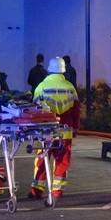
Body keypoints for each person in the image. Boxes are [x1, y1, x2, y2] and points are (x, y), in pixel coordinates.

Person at [29, 57, 80, 199]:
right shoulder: (70, 87)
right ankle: (57, 191)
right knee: (62, 160)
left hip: (46, 130)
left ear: (49, 70)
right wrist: (76, 127)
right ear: (63, 71)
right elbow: (76, 110)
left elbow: (34, 109)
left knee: (42, 158)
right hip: (66, 131)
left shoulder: (42, 86)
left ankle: (37, 190)